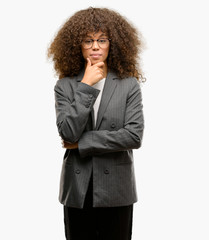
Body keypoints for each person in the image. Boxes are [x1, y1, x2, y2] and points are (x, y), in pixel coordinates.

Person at [47, 7, 145, 240]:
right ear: (76, 45)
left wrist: (82, 143)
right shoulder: (66, 86)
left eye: (102, 40)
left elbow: (133, 136)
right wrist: (87, 86)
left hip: (117, 188)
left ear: (114, 43)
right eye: (88, 40)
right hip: (78, 188)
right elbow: (68, 132)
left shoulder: (128, 84)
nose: (95, 46)